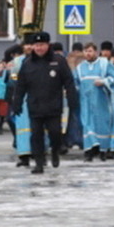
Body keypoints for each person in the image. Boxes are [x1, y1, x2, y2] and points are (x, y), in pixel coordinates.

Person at [12, 31, 77, 175]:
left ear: (48, 45)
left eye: (42, 45)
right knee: (36, 136)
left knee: (55, 133)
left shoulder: (58, 60)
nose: (39, 48)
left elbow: (68, 81)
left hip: (53, 105)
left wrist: (72, 99)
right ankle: (39, 163)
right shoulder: (27, 63)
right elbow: (21, 85)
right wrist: (16, 103)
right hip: (35, 106)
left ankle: (55, 151)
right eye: (36, 45)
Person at [75, 42, 114, 160]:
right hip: (86, 101)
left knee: (101, 124)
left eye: (90, 51)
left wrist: (103, 82)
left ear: (96, 52)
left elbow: (113, 78)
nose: (88, 53)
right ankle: (89, 150)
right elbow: (75, 82)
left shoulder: (104, 64)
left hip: (101, 100)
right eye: (86, 51)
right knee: (87, 123)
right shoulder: (79, 67)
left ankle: (103, 150)